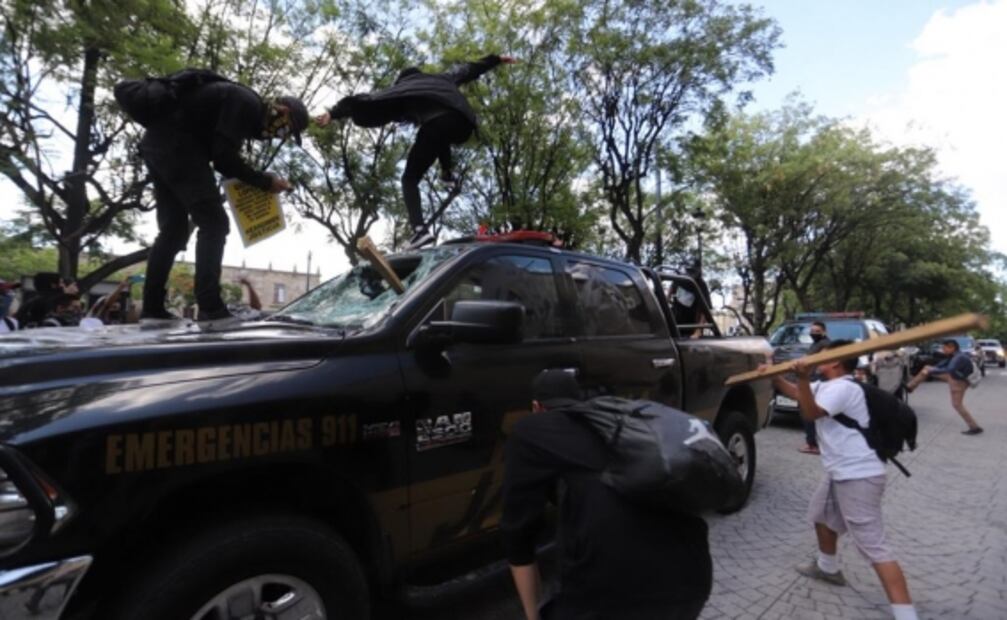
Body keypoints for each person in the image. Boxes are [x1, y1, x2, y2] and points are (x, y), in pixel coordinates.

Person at [502, 370, 711, 620]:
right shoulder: (614, 429)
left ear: (536, 407)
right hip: (690, 576)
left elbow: (518, 534)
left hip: (607, 593)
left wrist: (532, 615)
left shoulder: (531, 431)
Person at [138, 78, 308, 324]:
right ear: (282, 111)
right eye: (286, 129)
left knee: (173, 231)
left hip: (159, 145)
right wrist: (263, 181)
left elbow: (225, 162)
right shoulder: (246, 103)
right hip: (178, 148)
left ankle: (152, 309)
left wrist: (263, 182)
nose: (280, 136)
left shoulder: (244, 111)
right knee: (215, 224)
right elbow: (223, 159)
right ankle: (210, 307)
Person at [769, 341, 919, 620]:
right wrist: (776, 376)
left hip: (859, 475)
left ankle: (906, 614)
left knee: (873, 545)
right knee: (821, 514)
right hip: (841, 472)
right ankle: (828, 567)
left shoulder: (844, 388)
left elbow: (810, 413)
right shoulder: (826, 385)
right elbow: (798, 395)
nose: (815, 358)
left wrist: (801, 377)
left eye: (823, 355)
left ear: (836, 362)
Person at [316, 54, 517, 249]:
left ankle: (419, 232)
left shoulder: (403, 88)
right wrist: (495, 59)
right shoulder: (442, 78)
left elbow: (359, 100)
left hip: (438, 123)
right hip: (465, 123)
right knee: (439, 137)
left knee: (409, 179)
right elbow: (468, 69)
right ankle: (447, 175)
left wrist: (333, 114)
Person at [905, 339, 982, 435]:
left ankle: (974, 427)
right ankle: (910, 387)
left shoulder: (958, 357)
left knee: (957, 405)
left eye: (945, 348)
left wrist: (932, 371)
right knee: (927, 368)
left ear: (952, 348)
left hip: (958, 382)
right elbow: (942, 365)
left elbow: (950, 369)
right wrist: (931, 370)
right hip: (956, 378)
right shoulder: (955, 355)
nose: (943, 350)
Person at [799, 321, 831, 455]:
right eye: (812, 331)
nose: (814, 333)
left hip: (817, 382)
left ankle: (812, 444)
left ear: (824, 332)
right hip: (813, 380)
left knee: (808, 410)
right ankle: (812, 442)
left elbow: (816, 360)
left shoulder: (825, 344)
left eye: (817, 331)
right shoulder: (816, 344)